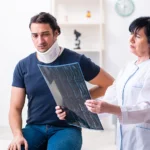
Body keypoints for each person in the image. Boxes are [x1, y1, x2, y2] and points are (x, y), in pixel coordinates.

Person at [8, 12, 114, 150]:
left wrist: (78, 99)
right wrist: (17, 135)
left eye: (45, 34)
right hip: (35, 127)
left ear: (56, 33)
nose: (40, 41)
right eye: (35, 35)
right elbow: (15, 108)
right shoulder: (23, 66)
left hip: (66, 128)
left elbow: (109, 83)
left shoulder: (76, 60)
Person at [84, 16, 150, 150]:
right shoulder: (128, 68)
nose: (131, 39)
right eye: (131, 34)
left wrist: (111, 108)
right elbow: (111, 100)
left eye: (137, 36)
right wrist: (78, 111)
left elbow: (147, 109)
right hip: (124, 140)